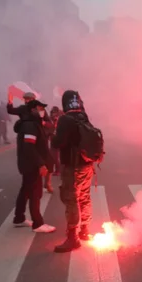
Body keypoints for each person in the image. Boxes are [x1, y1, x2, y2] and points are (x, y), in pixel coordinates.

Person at [52, 90, 95, 253]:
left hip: (72, 167)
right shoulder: (83, 116)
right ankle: (85, 230)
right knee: (84, 196)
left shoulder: (64, 119)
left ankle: (72, 238)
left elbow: (57, 143)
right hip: (87, 166)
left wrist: (55, 131)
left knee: (71, 199)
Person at [13, 99, 55, 233]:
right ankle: (38, 224)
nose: (42, 111)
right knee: (35, 193)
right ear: (32, 110)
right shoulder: (30, 125)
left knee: (25, 190)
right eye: (40, 108)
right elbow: (29, 147)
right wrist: (41, 164)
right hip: (31, 165)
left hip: (28, 164)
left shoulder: (33, 123)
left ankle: (19, 218)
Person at [7, 92, 54, 193]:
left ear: (33, 99)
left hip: (40, 138)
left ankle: (48, 183)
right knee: (30, 162)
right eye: (25, 99)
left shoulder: (40, 109)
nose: (27, 100)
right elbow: (10, 110)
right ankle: (30, 186)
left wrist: (43, 123)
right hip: (27, 136)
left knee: (49, 162)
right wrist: (10, 100)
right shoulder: (23, 109)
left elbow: (50, 124)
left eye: (29, 99)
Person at [50, 106, 63, 175]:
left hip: (61, 139)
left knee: (62, 156)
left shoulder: (63, 117)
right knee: (54, 156)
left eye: (55, 113)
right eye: (53, 113)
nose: (54, 115)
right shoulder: (50, 119)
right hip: (53, 139)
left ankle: (61, 170)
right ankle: (58, 170)